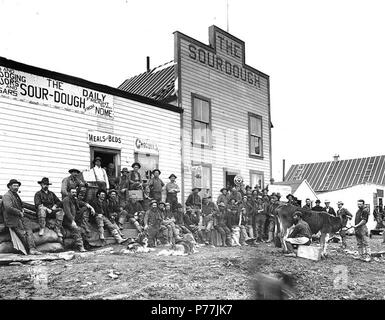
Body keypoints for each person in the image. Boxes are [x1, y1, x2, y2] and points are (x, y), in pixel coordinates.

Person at [2, 179, 42, 255]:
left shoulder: (16, 195)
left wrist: (22, 210)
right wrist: (19, 212)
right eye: (14, 186)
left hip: (19, 217)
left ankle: (32, 249)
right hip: (12, 219)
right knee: (23, 234)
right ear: (10, 187)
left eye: (17, 186)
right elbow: (8, 208)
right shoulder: (7, 196)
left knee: (29, 230)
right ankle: (27, 250)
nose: (16, 187)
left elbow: (20, 205)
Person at [61, 188, 88, 252]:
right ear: (69, 192)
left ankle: (85, 245)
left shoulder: (74, 200)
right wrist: (72, 221)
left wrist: (88, 206)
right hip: (67, 220)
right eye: (72, 192)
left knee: (83, 230)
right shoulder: (66, 200)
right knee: (76, 229)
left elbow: (80, 205)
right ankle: (80, 247)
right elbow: (67, 212)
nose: (74, 194)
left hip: (74, 219)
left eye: (75, 192)